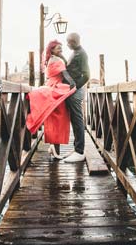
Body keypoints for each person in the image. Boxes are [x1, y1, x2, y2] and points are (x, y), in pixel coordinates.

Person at [26, 40, 76, 159]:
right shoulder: (57, 60)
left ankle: (53, 146)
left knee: (53, 119)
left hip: (50, 87)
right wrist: (74, 84)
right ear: (52, 50)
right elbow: (65, 74)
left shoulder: (51, 59)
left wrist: (62, 55)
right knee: (59, 119)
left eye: (61, 48)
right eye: (59, 48)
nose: (61, 50)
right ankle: (55, 149)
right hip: (56, 88)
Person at [62, 32, 90, 163]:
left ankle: (79, 152)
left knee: (77, 119)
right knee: (74, 119)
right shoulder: (75, 53)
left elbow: (87, 75)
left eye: (68, 42)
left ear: (73, 41)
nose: (67, 44)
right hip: (72, 91)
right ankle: (77, 148)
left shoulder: (82, 54)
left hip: (75, 91)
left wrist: (75, 87)